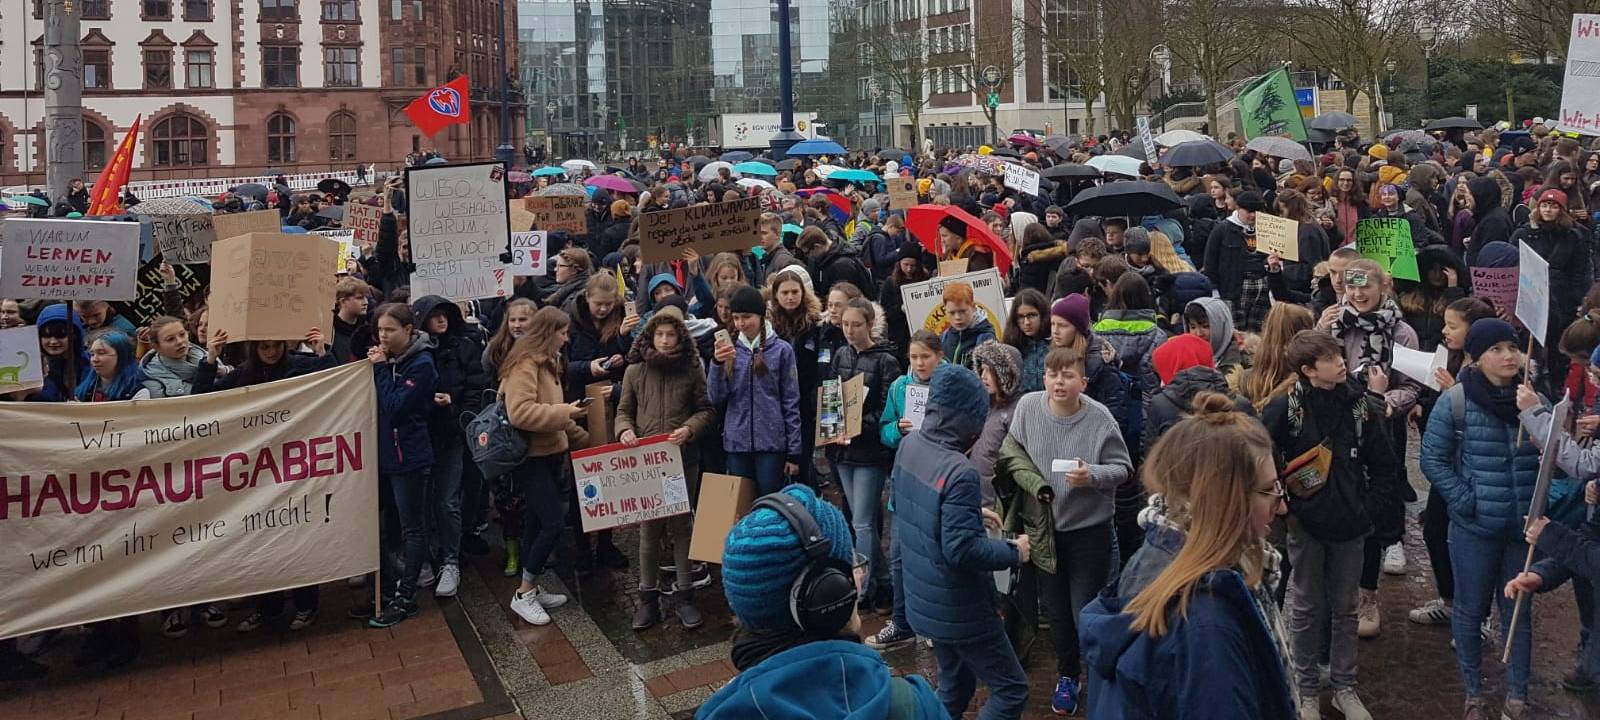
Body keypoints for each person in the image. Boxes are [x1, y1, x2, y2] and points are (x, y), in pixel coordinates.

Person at [1080, 393, 1294, 719]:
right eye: (1268, 491)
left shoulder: (1155, 553)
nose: (1281, 505)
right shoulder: (1209, 625)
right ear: (1225, 501)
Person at [698, 484, 946, 720]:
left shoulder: (718, 712)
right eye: (852, 565)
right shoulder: (912, 706)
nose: (859, 576)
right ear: (830, 593)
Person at [1262, 330, 1400, 720]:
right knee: (1305, 607)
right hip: (1305, 526)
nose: (1341, 362)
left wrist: (1367, 510)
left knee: (1346, 608)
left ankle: (1344, 687)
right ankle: (1306, 690)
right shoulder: (1285, 407)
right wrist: (1283, 505)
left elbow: (1386, 465)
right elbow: (1259, 453)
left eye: (1339, 355)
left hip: (1351, 526)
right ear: (1308, 370)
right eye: (1330, 359)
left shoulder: (1361, 407)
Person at [893, 363, 1031, 720]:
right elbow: (962, 550)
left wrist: (971, 514)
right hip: (961, 607)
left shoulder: (910, 445)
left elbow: (917, 510)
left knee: (954, 687)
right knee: (1011, 689)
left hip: (926, 599)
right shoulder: (960, 471)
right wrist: (1014, 552)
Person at [1421, 319, 1544, 720]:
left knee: (1518, 615)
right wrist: (1465, 501)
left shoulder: (1534, 399)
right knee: (1470, 611)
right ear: (1477, 356)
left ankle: (1518, 694)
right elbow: (1433, 460)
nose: (1509, 356)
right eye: (1497, 350)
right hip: (1475, 528)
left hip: (1521, 528)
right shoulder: (1455, 401)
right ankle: (1473, 692)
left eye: (1512, 347)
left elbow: (1553, 455)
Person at [1006, 346, 1133, 714]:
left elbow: (1123, 468)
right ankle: (1067, 676)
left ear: (1083, 382)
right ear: (1043, 377)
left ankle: (1099, 678)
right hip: (1045, 531)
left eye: (1067, 376)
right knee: (1057, 613)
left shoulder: (1100, 418)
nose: (1058, 382)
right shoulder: (1028, 407)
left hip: (1088, 532)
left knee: (1084, 612)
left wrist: (1091, 475)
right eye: (1052, 374)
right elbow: (1011, 453)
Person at [616, 305, 715, 630]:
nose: (664, 340)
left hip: (681, 460)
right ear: (649, 335)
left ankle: (685, 596)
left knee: (681, 526)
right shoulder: (634, 372)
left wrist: (689, 429)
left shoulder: (692, 369)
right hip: (646, 462)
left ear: (680, 337)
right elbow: (623, 411)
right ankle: (648, 599)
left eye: (670, 334)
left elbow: (706, 410)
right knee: (649, 529)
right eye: (658, 334)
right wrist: (624, 430)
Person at [1408, 297, 1496, 628]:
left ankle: (1479, 615)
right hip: (1446, 469)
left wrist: (1454, 392)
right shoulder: (1452, 358)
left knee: (1473, 543)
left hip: (1474, 471)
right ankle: (1449, 601)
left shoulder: (1490, 371)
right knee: (1435, 530)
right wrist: (1424, 404)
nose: (1444, 331)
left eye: (1453, 326)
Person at [502, 307, 589, 626]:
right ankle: (524, 593)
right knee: (552, 522)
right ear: (548, 332)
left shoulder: (549, 363)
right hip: (531, 457)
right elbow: (520, 412)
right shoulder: (525, 364)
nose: (566, 339)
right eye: (562, 333)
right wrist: (566, 411)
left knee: (536, 524)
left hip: (550, 453)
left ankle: (531, 587)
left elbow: (557, 415)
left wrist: (583, 437)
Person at [868, 329, 946, 651]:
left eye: (925, 357)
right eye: (914, 357)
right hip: (905, 478)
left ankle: (932, 621)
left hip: (936, 478)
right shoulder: (901, 387)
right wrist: (896, 430)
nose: (919, 363)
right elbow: (885, 429)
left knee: (933, 554)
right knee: (899, 554)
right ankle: (901, 622)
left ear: (939, 357)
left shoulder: (948, 385)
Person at [364, 303, 439, 628]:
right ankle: (388, 588)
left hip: (409, 457)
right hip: (385, 456)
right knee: (385, 526)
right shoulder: (392, 361)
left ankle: (406, 596)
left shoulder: (420, 364)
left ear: (408, 330)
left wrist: (380, 370)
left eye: (390, 330)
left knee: (413, 527)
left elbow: (395, 406)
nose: (383, 337)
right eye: (380, 330)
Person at [826, 297, 901, 613]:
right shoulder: (841, 353)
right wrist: (832, 427)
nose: (850, 331)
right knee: (862, 522)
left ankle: (863, 588)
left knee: (863, 524)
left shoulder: (887, 361)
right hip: (842, 449)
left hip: (869, 450)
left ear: (870, 325)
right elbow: (830, 394)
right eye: (845, 324)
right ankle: (884, 585)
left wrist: (857, 427)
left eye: (856, 325)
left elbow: (888, 407)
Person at [412, 295, 489, 598]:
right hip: (419, 435)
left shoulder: (465, 347)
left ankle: (450, 559)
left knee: (447, 500)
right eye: (434, 316)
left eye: (445, 314)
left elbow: (475, 387)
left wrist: (456, 410)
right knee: (423, 501)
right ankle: (426, 556)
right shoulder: (414, 352)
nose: (441, 320)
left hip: (451, 434)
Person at [709, 286, 802, 495]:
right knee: (740, 503)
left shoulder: (782, 350)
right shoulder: (730, 348)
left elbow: (791, 400)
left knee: (769, 501)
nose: (741, 323)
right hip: (737, 442)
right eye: (736, 318)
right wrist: (716, 364)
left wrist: (794, 451)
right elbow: (716, 396)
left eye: (746, 317)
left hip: (771, 442)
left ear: (760, 316)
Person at [137, 315, 209, 398]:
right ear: (156, 346)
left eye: (182, 334)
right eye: (170, 339)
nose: (179, 341)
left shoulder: (205, 355)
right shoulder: (152, 380)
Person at [1003, 289, 1051, 393]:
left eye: (1032, 315)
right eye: (1021, 317)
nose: (1026, 322)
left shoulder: (1055, 342)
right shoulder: (1011, 346)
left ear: (1042, 314)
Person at [940, 282, 995, 372]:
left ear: (973, 307)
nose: (957, 317)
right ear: (945, 309)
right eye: (952, 313)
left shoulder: (985, 338)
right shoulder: (944, 337)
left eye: (962, 311)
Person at [332, 277, 374, 363]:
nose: (366, 302)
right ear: (343, 302)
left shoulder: (367, 331)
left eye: (366, 297)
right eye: (359, 298)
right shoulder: (330, 332)